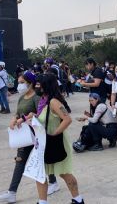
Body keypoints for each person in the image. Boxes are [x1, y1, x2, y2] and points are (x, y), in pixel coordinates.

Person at [0, 71, 48, 203]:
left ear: (30, 83)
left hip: (36, 135)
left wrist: (22, 119)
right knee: (20, 161)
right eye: (19, 82)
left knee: (42, 161)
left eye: (22, 82)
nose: (19, 85)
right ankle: (12, 192)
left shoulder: (37, 97)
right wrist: (14, 119)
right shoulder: (22, 97)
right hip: (24, 135)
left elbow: (39, 114)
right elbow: (17, 113)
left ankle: (53, 182)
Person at [29, 73, 84, 204]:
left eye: (38, 84)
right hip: (44, 142)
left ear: (45, 86)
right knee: (40, 173)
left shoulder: (54, 101)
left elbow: (67, 119)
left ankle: (78, 200)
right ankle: (42, 202)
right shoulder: (43, 100)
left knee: (64, 172)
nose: (36, 86)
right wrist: (34, 116)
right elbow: (44, 117)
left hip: (55, 142)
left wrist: (55, 133)